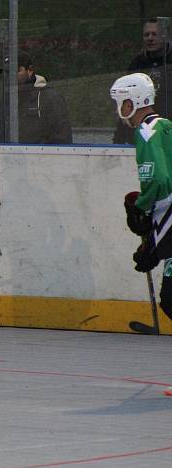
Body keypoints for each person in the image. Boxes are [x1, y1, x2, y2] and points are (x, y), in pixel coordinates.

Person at [112, 73, 172, 322]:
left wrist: (142, 207)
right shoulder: (166, 125)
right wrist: (153, 245)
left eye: (120, 103)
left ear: (131, 103)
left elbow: (159, 180)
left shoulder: (146, 132)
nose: (118, 110)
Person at [0, 53, 72, 144]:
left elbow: (63, 140)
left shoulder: (50, 99)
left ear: (30, 71)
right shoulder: (3, 103)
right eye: (6, 72)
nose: (9, 76)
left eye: (16, 71)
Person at [113, 18, 172, 144]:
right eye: (147, 35)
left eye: (154, 34)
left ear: (165, 35)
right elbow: (125, 101)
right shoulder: (137, 64)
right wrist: (117, 142)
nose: (150, 38)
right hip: (142, 135)